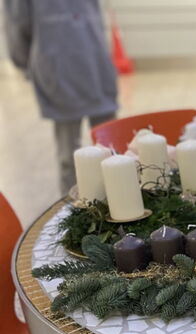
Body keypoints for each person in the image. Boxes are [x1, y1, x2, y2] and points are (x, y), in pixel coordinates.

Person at [4, 0, 118, 195]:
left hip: (93, 63)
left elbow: (96, 16)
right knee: (71, 153)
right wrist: (27, 63)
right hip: (59, 65)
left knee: (109, 145)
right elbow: (17, 25)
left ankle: (116, 197)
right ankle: (74, 206)